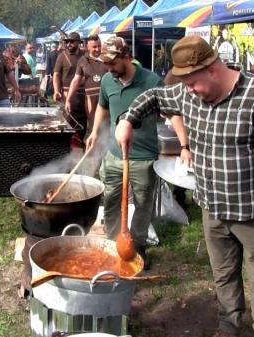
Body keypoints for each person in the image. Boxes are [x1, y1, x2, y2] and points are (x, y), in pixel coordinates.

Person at [114, 35, 254, 336]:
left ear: (212, 69)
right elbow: (154, 97)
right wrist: (128, 119)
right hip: (212, 208)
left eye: (191, 83)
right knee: (224, 275)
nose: (187, 91)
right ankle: (229, 328)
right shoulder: (189, 95)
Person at [85, 36, 166, 270]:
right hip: (113, 155)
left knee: (142, 205)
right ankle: (114, 244)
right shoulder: (108, 81)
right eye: (105, 64)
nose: (108, 69)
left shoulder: (152, 81)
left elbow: (170, 111)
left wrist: (183, 144)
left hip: (143, 157)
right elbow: (102, 106)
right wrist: (94, 132)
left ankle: (137, 246)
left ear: (127, 57)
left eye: (112, 63)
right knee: (110, 200)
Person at [65, 34, 107, 136]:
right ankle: (96, 148)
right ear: (87, 47)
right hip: (91, 101)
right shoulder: (83, 61)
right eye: (94, 47)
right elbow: (75, 81)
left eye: (99, 46)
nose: (97, 49)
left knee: (107, 128)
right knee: (94, 128)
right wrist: (68, 100)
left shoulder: (107, 59)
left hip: (107, 99)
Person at [53, 32, 86, 147]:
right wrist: (57, 90)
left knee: (83, 126)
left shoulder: (85, 55)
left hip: (84, 96)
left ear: (78, 43)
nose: (69, 44)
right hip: (68, 96)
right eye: (67, 42)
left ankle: (82, 151)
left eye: (72, 41)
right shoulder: (62, 56)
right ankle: (66, 152)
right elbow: (56, 75)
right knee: (68, 126)